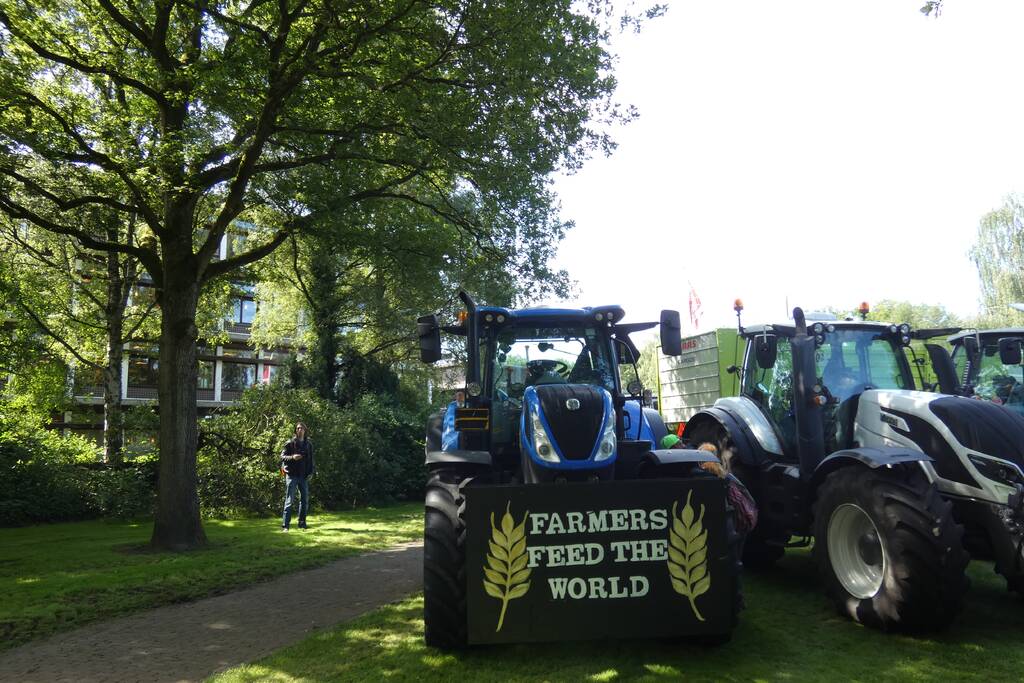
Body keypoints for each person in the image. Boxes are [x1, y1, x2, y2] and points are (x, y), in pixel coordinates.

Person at [660, 434, 757, 535]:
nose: (683, 446)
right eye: (679, 444)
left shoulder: (699, 471)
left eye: (681, 443)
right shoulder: (720, 476)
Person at [280, 422, 315, 531]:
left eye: (301, 428)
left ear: (305, 430)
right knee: (289, 501)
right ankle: (286, 526)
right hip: (291, 475)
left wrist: (311, 472)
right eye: (298, 428)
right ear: (295, 431)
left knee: (304, 501)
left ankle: (302, 524)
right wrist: (292, 457)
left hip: (303, 476)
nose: (299, 430)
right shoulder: (289, 443)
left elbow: (311, 460)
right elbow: (282, 456)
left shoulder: (309, 444)